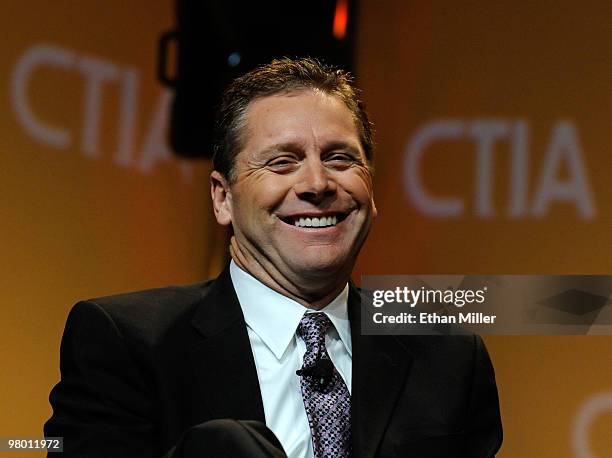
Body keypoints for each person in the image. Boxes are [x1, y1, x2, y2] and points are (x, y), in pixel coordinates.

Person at [45, 58, 503, 457]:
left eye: (341, 158)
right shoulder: (126, 343)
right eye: (282, 162)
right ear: (222, 198)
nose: (318, 183)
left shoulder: (447, 355)